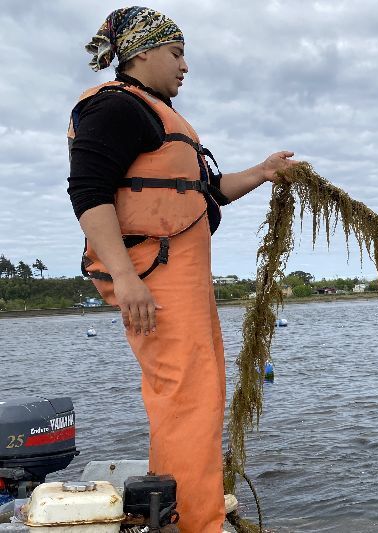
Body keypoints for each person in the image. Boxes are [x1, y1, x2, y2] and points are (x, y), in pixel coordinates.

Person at [67, 7, 299, 532]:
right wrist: (127, 280)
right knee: (187, 403)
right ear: (141, 52)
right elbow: (88, 193)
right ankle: (197, 524)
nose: (185, 66)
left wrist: (263, 173)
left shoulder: (156, 115)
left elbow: (206, 192)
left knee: (198, 398)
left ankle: (185, 509)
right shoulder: (117, 109)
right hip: (154, 281)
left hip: (182, 282)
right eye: (176, 53)